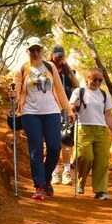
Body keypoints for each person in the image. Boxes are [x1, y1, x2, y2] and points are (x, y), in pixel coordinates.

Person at [9, 37, 75, 200]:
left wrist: (69, 111)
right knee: (36, 149)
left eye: (38, 49)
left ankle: (46, 179)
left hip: (52, 112)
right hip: (30, 114)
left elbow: (60, 91)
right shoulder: (22, 70)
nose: (35, 52)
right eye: (32, 50)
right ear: (27, 51)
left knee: (54, 147)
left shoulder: (50, 67)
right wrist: (13, 96)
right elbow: (16, 93)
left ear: (42, 51)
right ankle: (39, 186)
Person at [70, 68, 112, 200]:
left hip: (101, 130)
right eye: (94, 79)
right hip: (83, 128)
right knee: (85, 156)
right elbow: (71, 110)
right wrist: (74, 106)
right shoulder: (79, 92)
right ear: (88, 78)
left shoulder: (104, 95)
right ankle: (81, 181)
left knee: (102, 161)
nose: (97, 82)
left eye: (100, 80)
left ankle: (101, 190)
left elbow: (108, 115)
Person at [49, 45, 78, 186]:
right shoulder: (46, 69)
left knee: (66, 139)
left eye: (62, 56)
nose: (60, 58)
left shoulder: (67, 71)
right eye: (57, 56)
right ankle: (54, 172)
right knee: (51, 140)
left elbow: (77, 86)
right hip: (50, 108)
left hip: (65, 108)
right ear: (52, 55)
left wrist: (70, 69)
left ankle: (66, 172)